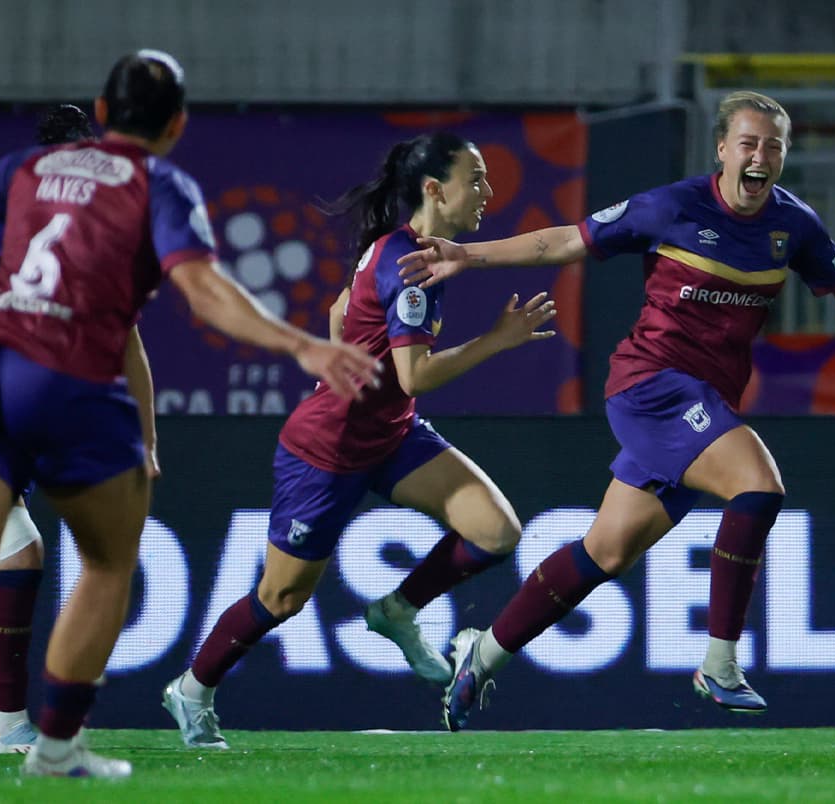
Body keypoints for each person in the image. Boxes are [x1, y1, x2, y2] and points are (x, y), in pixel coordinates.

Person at [396, 91, 835, 731]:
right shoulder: (672, 206)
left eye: (774, 146)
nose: (761, 157)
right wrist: (466, 255)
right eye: (748, 144)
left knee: (604, 553)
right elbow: (564, 241)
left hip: (703, 404)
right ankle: (719, 663)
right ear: (722, 150)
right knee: (758, 488)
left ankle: (485, 652)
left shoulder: (794, 225)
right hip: (652, 386)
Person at [0, 49, 380, 778]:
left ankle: (45, 742)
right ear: (176, 125)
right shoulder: (158, 184)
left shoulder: (26, 172)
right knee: (107, 560)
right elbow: (203, 291)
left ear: (103, 115)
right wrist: (302, 345)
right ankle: (58, 748)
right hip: (60, 372)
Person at [161, 131, 557, 750]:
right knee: (281, 598)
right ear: (434, 189)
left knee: (496, 531)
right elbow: (415, 375)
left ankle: (397, 611)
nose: (488, 190)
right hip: (327, 451)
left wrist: (354, 371)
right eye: (475, 178)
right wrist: (496, 341)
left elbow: (340, 314)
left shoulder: (397, 248)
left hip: (391, 435)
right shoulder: (410, 268)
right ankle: (192, 689)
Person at [0, 103, 162, 755]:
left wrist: (147, 439)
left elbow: (130, 347)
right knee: (10, 560)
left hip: (35, 418)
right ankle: (16, 733)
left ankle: (17, 731)